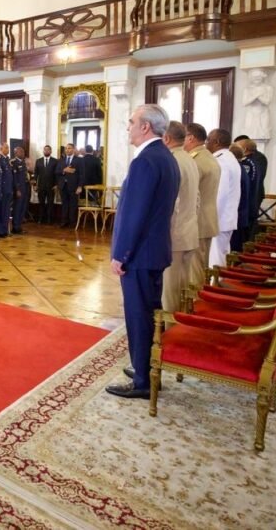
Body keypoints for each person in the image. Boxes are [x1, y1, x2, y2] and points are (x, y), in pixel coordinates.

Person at [106, 104, 179, 399]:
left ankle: (142, 382)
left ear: (145, 126)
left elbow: (134, 213)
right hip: (154, 251)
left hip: (140, 255)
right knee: (148, 312)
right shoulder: (166, 157)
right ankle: (146, 368)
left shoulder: (145, 161)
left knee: (138, 315)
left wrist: (121, 254)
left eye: (131, 122)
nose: (128, 127)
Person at [161, 122, 199, 314]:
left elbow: (172, 203)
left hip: (174, 234)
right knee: (182, 284)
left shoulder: (172, 160)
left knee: (170, 290)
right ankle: (181, 321)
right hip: (189, 231)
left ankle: (168, 332)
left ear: (166, 138)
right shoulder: (189, 158)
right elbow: (197, 199)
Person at [183, 123, 220, 285]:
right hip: (207, 219)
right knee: (200, 265)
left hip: (198, 221)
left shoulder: (195, 161)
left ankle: (194, 305)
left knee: (195, 270)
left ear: (190, 138)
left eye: (182, 137)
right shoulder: (208, 156)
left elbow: (189, 194)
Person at [206, 128, 241, 267]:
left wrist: (211, 220)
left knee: (215, 259)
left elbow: (219, 193)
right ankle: (218, 282)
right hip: (226, 217)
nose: (206, 143)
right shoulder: (229, 158)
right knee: (221, 254)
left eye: (208, 140)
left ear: (217, 142)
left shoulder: (221, 161)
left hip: (219, 219)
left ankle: (215, 285)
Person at [235, 136, 267, 232]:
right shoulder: (249, 160)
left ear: (244, 149)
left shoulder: (250, 161)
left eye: (237, 147)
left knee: (247, 225)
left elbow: (248, 181)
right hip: (250, 196)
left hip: (251, 196)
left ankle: (247, 243)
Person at [56, 144, 81, 227]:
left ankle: (72, 222)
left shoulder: (79, 160)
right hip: (63, 185)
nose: (67, 150)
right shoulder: (61, 160)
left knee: (73, 204)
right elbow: (57, 172)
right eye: (66, 148)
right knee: (64, 204)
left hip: (74, 186)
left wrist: (80, 186)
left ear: (73, 149)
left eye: (69, 148)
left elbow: (82, 174)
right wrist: (64, 170)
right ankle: (64, 221)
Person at [34, 145, 57, 224]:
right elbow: (36, 173)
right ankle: (41, 219)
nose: (46, 151)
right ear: (43, 151)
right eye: (45, 150)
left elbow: (56, 174)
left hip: (51, 186)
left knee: (50, 203)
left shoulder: (55, 161)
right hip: (41, 186)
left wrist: (56, 184)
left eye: (48, 150)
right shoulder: (38, 161)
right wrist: (35, 184)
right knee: (41, 203)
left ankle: (49, 219)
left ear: (51, 151)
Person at [10, 146, 30, 234]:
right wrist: (17, 189)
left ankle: (19, 226)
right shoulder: (13, 162)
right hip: (19, 189)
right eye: (20, 151)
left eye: (23, 151)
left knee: (23, 208)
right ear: (16, 153)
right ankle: (15, 227)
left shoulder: (23, 162)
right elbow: (14, 178)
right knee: (17, 208)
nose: (23, 153)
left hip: (25, 187)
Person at [0, 142, 13, 237]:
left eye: (8, 147)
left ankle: (5, 230)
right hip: (3, 189)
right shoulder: (0, 159)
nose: (8, 149)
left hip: (8, 189)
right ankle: (1, 231)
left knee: (7, 211)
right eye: (6, 147)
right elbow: (0, 176)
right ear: (1, 148)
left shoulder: (7, 159)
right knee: (1, 210)